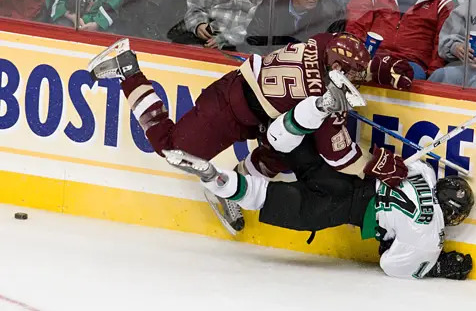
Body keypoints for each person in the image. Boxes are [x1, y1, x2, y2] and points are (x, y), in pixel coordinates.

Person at [87, 32, 414, 231]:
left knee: (282, 153)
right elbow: (339, 155)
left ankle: (225, 188)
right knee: (171, 148)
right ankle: (126, 69)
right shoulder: (324, 97)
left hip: (263, 111)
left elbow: (347, 54)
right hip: (230, 108)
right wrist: (375, 164)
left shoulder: (324, 44)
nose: (357, 80)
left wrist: (378, 67)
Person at [164, 131, 474, 280]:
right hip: (333, 211)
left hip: (340, 178)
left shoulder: (425, 172)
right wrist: (437, 266)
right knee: (262, 198)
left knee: (296, 144)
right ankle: (215, 177)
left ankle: (282, 117)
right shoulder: (429, 236)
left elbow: (403, 166)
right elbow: (391, 266)